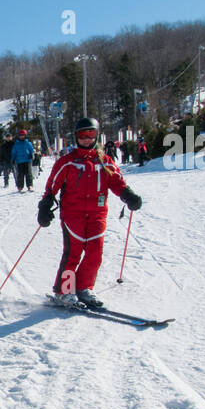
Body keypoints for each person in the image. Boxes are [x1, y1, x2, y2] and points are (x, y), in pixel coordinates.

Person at [36, 117, 142, 309]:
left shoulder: (105, 162)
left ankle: (83, 287)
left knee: (95, 253)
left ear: (97, 136)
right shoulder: (67, 162)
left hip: (97, 214)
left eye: (90, 135)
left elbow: (117, 183)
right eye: (82, 135)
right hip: (72, 214)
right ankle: (64, 291)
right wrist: (45, 205)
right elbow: (52, 185)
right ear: (76, 137)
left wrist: (128, 195)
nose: (86, 139)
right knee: (73, 253)